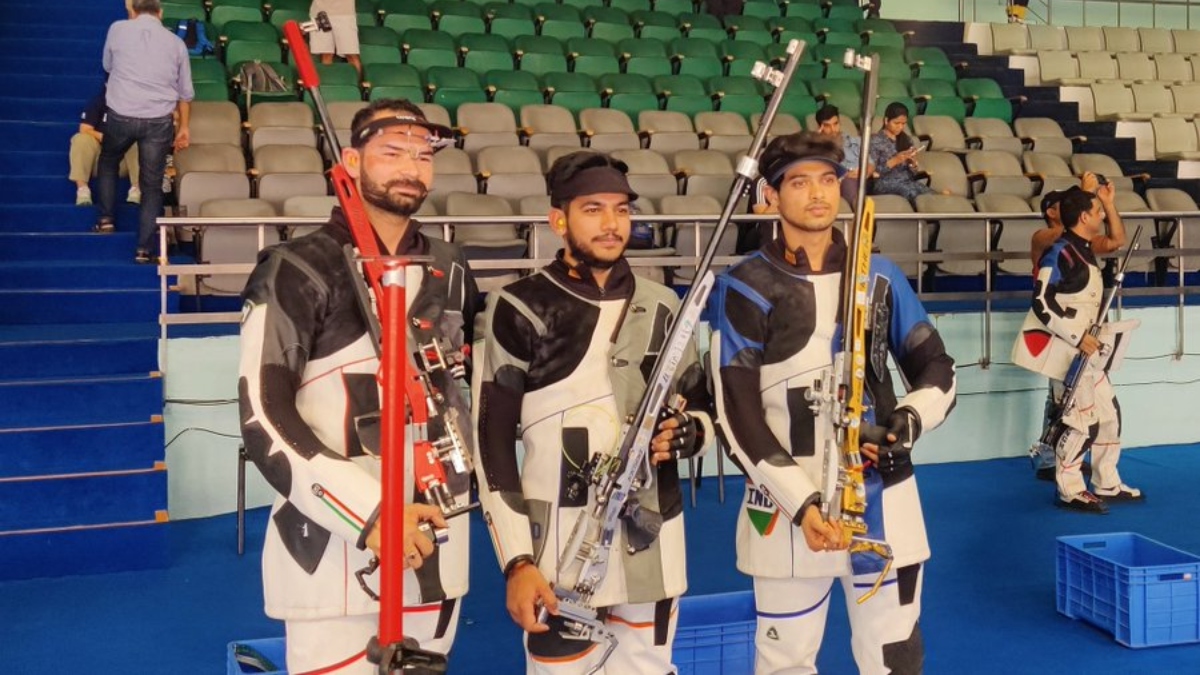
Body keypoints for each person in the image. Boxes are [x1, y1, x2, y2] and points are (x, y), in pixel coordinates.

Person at [239, 99, 478, 674]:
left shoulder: (451, 267)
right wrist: (371, 516)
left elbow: (461, 397)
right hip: (333, 553)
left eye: (423, 156)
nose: (410, 168)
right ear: (351, 161)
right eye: (392, 152)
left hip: (437, 546)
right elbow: (263, 416)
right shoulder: (295, 267)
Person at [708, 132, 957, 675]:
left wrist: (909, 420)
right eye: (799, 182)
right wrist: (802, 503)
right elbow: (736, 413)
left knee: (896, 656)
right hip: (787, 508)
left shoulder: (881, 276)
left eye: (827, 179)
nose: (818, 193)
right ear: (771, 195)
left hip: (886, 500)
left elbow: (938, 367)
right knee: (786, 662)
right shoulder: (743, 286)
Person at [472, 150, 715, 674]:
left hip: (654, 535)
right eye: (592, 209)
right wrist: (516, 560)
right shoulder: (517, 305)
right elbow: (490, 442)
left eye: (621, 210)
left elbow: (700, 407)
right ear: (557, 220)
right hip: (558, 546)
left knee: (650, 666)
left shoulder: (665, 304)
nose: (611, 224)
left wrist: (690, 433)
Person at [1012, 187, 1141, 513]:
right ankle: (1070, 489)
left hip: (1090, 355)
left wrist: (1108, 201)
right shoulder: (1059, 252)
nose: (1101, 216)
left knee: (1109, 416)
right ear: (1084, 217)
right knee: (1082, 424)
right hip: (1069, 354)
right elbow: (1041, 301)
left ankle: (1107, 481)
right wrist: (1076, 335)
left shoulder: (1083, 248)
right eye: (1098, 211)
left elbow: (1116, 239)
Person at [95, 0, 193, 264]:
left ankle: (106, 219)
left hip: (121, 114)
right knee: (151, 184)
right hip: (158, 121)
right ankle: (144, 249)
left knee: (108, 161)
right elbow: (185, 93)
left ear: (133, 11)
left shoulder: (117, 28)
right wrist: (184, 127)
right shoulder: (176, 43)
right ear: (160, 13)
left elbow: (107, 65)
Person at [70, 86, 140, 207]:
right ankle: (82, 189)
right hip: (99, 161)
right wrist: (106, 137)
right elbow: (84, 129)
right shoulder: (99, 101)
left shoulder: (136, 104)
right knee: (80, 138)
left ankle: (136, 188)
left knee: (137, 142)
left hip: (123, 162)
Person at [868, 102, 936, 204]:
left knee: (932, 196)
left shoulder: (906, 140)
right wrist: (895, 160)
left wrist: (912, 164)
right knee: (912, 193)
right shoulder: (875, 141)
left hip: (907, 182)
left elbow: (913, 173)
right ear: (886, 120)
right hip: (884, 184)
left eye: (903, 124)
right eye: (896, 123)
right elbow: (872, 173)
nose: (900, 127)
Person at [814, 104, 874, 208]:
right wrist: (817, 141)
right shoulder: (819, 147)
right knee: (848, 182)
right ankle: (861, 213)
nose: (833, 129)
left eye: (835, 124)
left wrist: (864, 172)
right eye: (827, 126)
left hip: (865, 179)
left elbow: (871, 164)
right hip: (843, 182)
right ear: (820, 127)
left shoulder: (856, 141)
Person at [310, 0, 363, 79]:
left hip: (345, 13)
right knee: (326, 54)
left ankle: (358, 84)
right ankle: (328, 82)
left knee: (351, 54)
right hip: (319, 12)